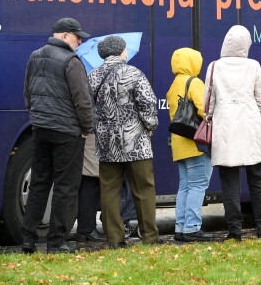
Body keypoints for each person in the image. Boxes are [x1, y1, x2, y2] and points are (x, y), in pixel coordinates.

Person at [21, 17, 94, 254]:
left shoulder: (35, 55)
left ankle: (28, 239)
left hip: (40, 129)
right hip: (67, 132)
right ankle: (56, 242)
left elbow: (28, 92)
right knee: (66, 186)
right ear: (64, 35)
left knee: (39, 184)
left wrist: (38, 117)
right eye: (77, 36)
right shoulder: (71, 61)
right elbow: (82, 100)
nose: (80, 40)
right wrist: (86, 128)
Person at [90, 35, 160, 248]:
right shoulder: (133, 73)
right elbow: (148, 104)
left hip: (106, 141)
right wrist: (150, 126)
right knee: (143, 189)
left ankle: (115, 239)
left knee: (109, 190)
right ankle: (150, 237)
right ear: (121, 51)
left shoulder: (92, 75)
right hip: (135, 141)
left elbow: (89, 108)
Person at [205, 25, 261, 241]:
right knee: (258, 179)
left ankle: (234, 231)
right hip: (251, 127)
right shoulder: (253, 66)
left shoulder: (214, 66)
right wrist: (253, 115)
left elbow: (208, 104)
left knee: (230, 184)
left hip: (225, 129)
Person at [166, 48, 214, 242]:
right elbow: (205, 110)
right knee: (198, 186)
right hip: (196, 143)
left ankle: (181, 226)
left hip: (180, 143)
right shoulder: (194, 82)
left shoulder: (174, 84)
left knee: (185, 186)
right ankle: (192, 227)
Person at [74, 132, 106, 242]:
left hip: (87, 130)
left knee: (88, 178)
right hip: (91, 130)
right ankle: (86, 229)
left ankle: (84, 229)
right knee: (92, 178)